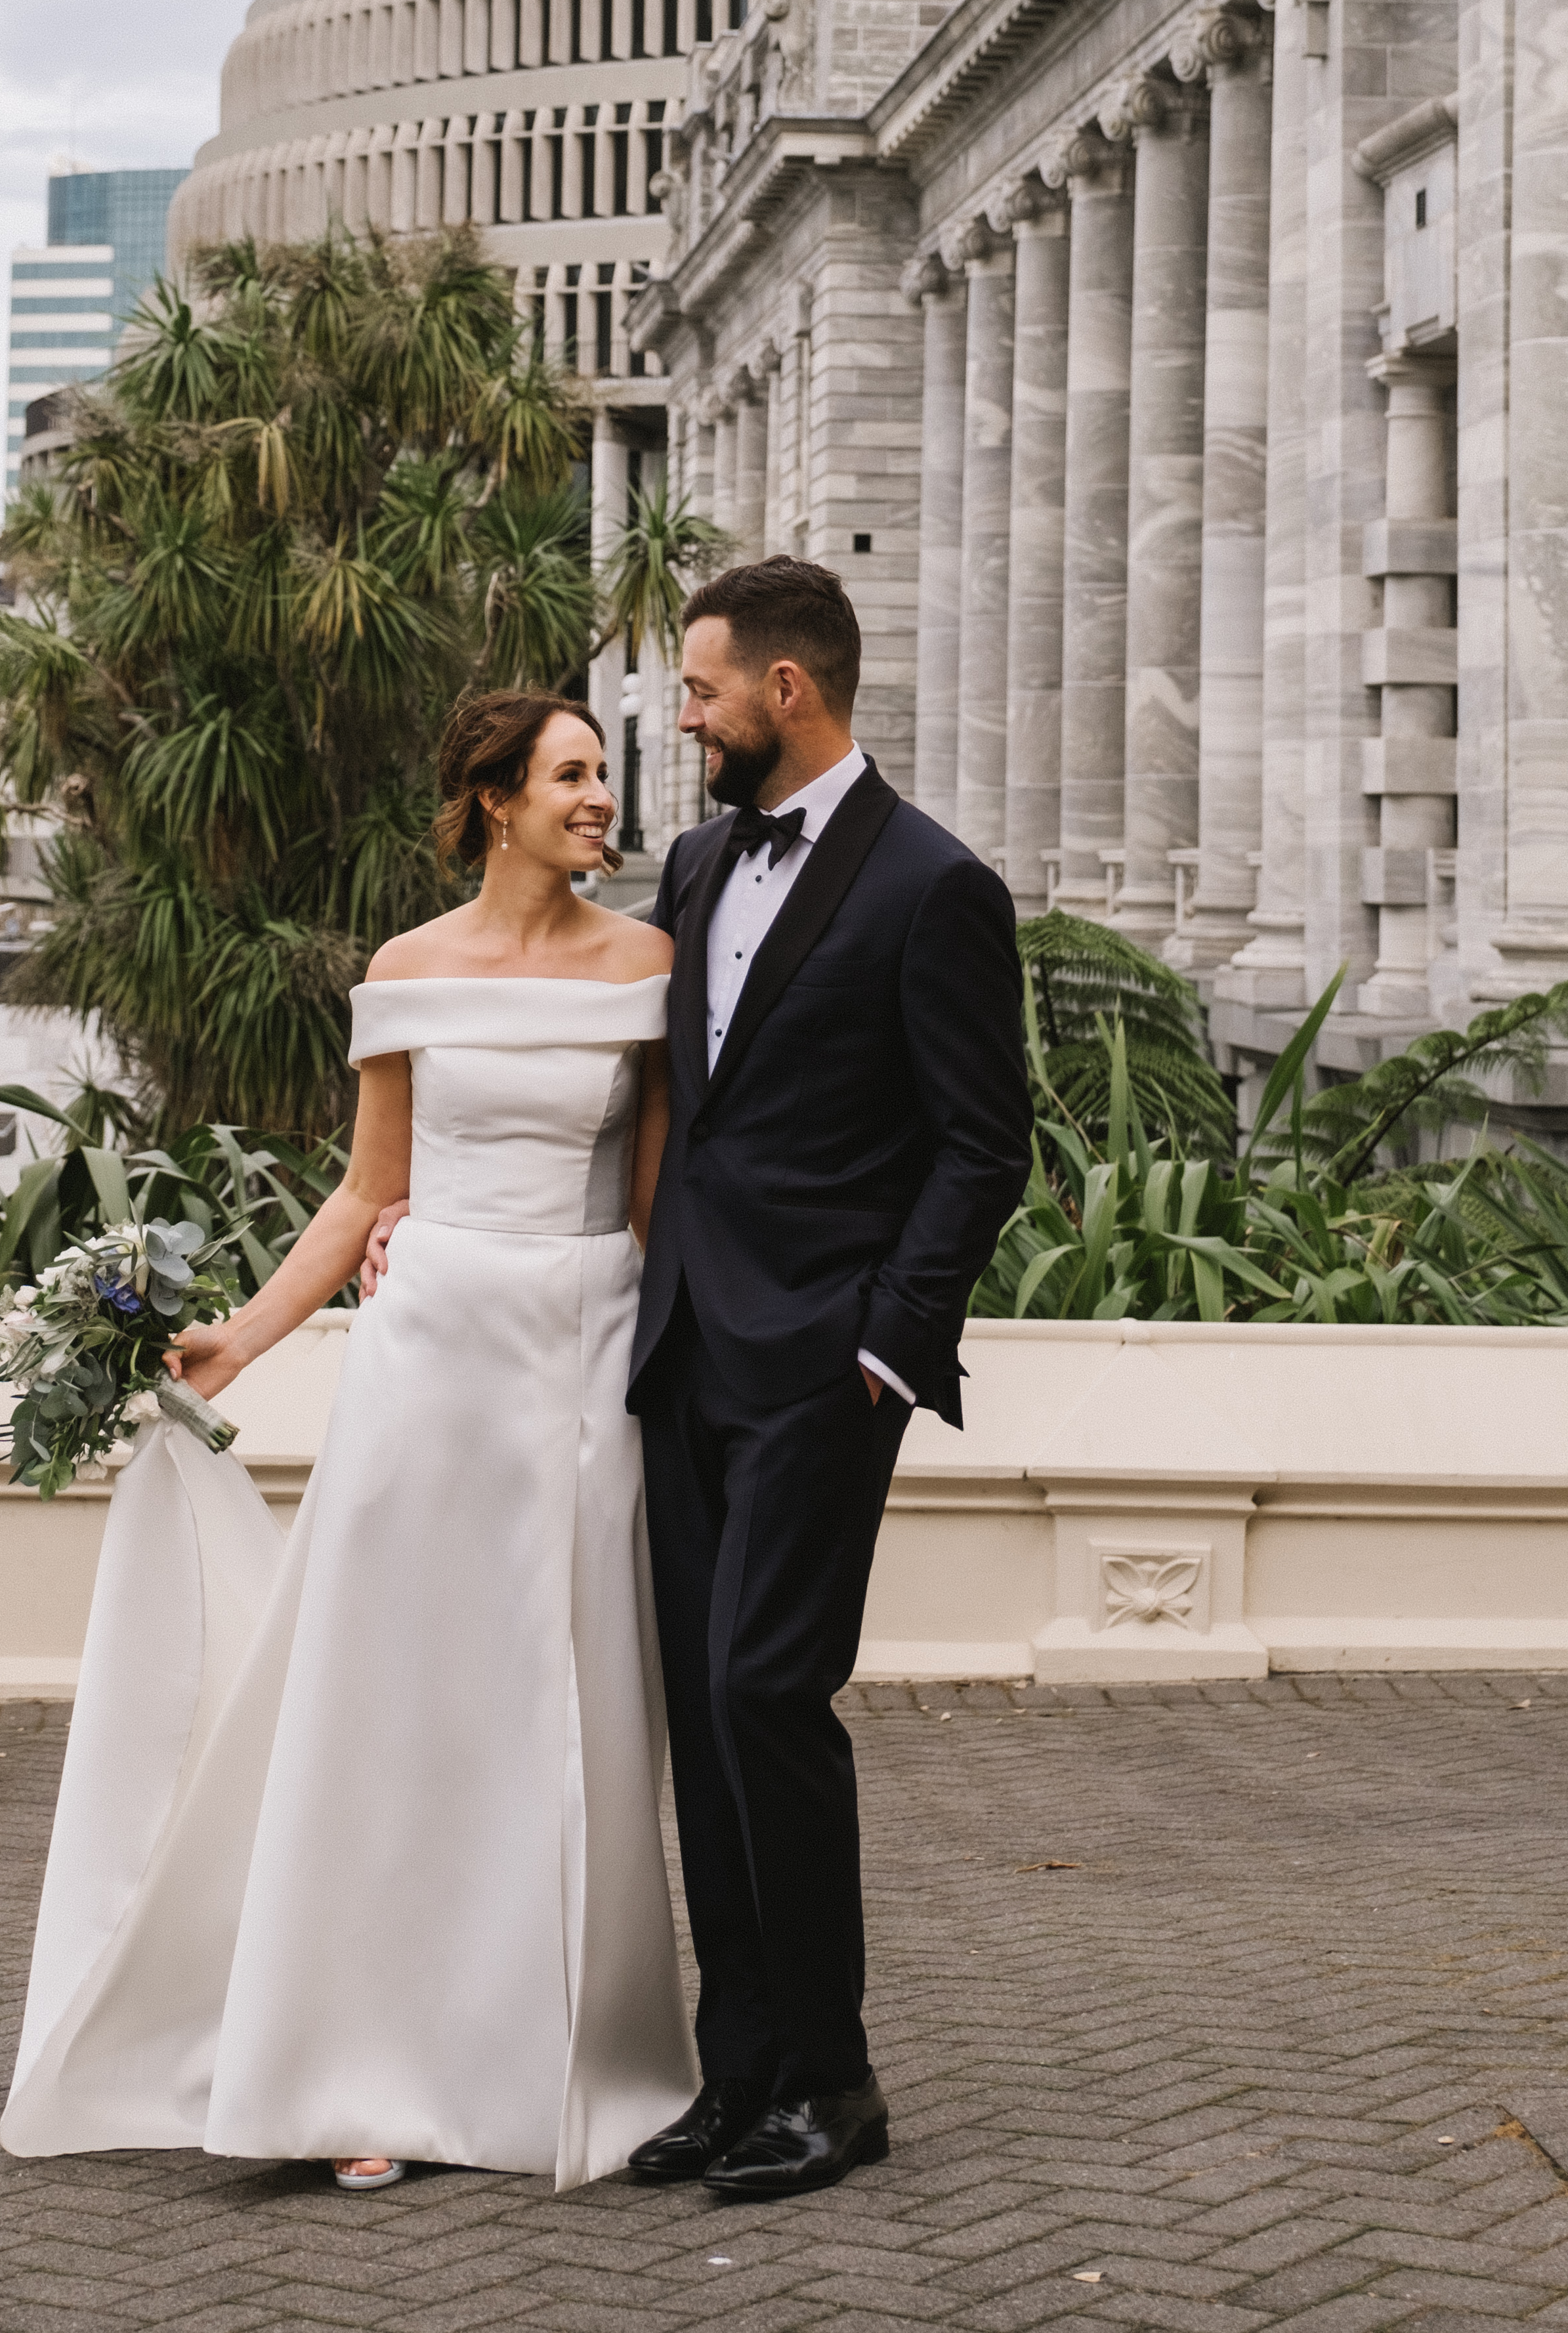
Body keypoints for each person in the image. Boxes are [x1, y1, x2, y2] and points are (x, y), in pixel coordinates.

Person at [0, 688, 695, 2193]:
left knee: (562, 1714)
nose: (599, 797)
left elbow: (656, 1205)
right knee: (392, 1712)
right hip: (426, 1356)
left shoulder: (650, 967)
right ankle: (360, 2066)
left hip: (583, 1355)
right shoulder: (406, 970)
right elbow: (361, 1189)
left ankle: (562, 2059)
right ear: (493, 800)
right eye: (571, 774)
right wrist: (239, 1335)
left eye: (603, 775)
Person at [624, 556, 1027, 2205]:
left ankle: (835, 2079)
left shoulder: (936, 885)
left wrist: (886, 1341)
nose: (688, 715)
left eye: (705, 687)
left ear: (788, 690)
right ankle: (740, 2074)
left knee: (765, 1697)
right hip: (681, 1353)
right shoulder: (697, 856)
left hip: (821, 1371)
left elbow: (983, 1140)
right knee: (701, 1725)